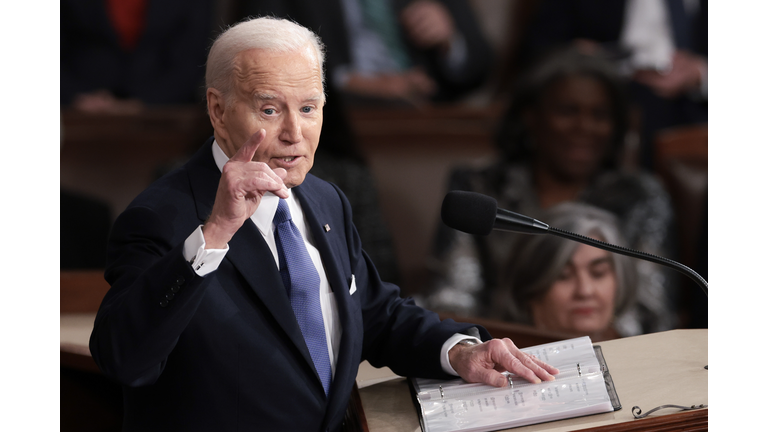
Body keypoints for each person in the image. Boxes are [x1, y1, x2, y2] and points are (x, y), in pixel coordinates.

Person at [88, 17, 558, 431]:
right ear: (218, 110)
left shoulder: (324, 197)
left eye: (309, 108)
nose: (294, 132)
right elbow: (124, 358)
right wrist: (215, 235)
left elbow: (375, 313)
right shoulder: (160, 217)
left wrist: (457, 351)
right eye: (270, 110)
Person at [421, 49, 677, 337]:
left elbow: (651, 312)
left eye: (600, 114)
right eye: (568, 111)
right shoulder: (480, 187)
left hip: (611, 351)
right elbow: (453, 299)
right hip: (500, 349)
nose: (584, 127)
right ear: (531, 116)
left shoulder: (638, 195)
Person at [237, 0, 494, 105]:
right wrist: (349, 82)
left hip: (426, 113)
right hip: (333, 122)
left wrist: (449, 40)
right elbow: (257, 54)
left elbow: (481, 64)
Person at [492, 203, 637, 342]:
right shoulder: (496, 363)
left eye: (598, 273)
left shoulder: (642, 356)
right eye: (563, 275)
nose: (585, 291)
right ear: (529, 288)